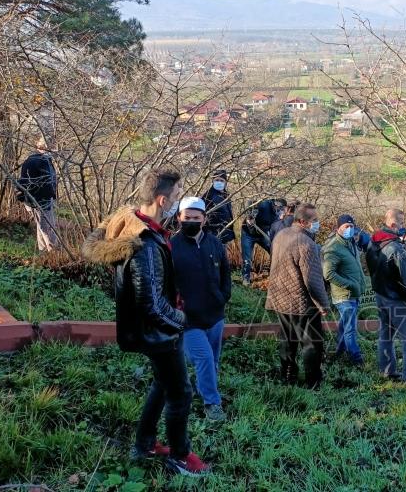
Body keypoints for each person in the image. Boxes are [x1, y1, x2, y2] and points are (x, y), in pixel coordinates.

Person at [82, 168, 209, 476]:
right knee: (181, 392)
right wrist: (179, 321)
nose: (178, 202)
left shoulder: (137, 223)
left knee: (162, 384)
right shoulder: (145, 245)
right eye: (177, 196)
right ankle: (180, 456)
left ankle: (145, 444)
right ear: (163, 199)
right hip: (159, 332)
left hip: (155, 330)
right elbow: (151, 304)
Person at [171, 197, 232, 422]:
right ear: (179, 218)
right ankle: (212, 404)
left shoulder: (214, 243)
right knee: (204, 358)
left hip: (215, 315)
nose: (191, 222)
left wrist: (224, 296)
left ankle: (205, 389)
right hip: (187, 319)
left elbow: (225, 272)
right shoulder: (171, 247)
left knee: (213, 360)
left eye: (196, 218)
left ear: (204, 219)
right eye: (187, 218)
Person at [266, 203, 330, 388]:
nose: (317, 223)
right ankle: (313, 382)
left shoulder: (281, 235)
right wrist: (323, 304)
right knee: (312, 343)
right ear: (303, 221)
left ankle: (287, 377)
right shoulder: (306, 243)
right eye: (314, 220)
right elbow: (313, 281)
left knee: (287, 339)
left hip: (280, 297)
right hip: (302, 302)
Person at [366, 209, 406, 382]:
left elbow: (371, 268)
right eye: (402, 223)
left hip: (381, 295)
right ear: (393, 224)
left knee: (386, 334)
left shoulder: (373, 242)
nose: (404, 227)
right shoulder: (396, 248)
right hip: (397, 299)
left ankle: (387, 370)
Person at [322, 214, 367, 366]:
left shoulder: (350, 243)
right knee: (350, 329)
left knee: (344, 326)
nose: (349, 229)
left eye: (351, 226)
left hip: (353, 294)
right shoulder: (334, 247)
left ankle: (337, 353)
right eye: (346, 227)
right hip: (344, 295)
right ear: (338, 228)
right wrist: (350, 284)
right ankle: (356, 359)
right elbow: (328, 273)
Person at [17, 137, 58, 252]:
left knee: (42, 228)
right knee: (47, 229)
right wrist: (34, 202)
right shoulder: (35, 161)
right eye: (50, 148)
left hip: (41, 200)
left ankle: (44, 256)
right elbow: (25, 183)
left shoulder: (44, 160)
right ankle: (55, 257)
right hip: (39, 201)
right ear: (40, 147)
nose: (53, 150)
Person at [240, 198, 283, 284]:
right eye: (276, 206)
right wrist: (249, 217)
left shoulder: (280, 213)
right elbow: (249, 202)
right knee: (247, 258)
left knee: (275, 252)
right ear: (273, 203)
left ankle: (276, 275)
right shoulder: (264, 205)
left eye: (280, 207)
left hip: (263, 234)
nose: (277, 208)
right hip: (248, 234)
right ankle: (246, 279)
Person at [201, 170, 235, 245]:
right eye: (216, 180)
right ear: (212, 181)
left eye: (221, 180)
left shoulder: (226, 195)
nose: (219, 182)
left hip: (225, 234)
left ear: (225, 182)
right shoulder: (208, 195)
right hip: (213, 234)